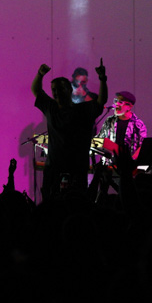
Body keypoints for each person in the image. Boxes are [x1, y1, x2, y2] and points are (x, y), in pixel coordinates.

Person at [31, 60, 107, 203]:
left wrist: (102, 79)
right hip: (54, 167)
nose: (56, 93)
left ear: (69, 90)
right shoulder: (51, 108)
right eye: (54, 89)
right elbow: (36, 91)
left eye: (60, 89)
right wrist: (40, 75)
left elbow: (101, 101)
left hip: (76, 168)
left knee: (77, 203)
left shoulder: (82, 110)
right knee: (50, 202)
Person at [94, 90, 147, 201]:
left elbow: (142, 147)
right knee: (103, 191)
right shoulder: (109, 121)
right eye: (116, 101)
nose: (116, 104)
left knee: (126, 193)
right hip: (109, 164)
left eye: (120, 102)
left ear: (129, 106)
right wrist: (98, 143)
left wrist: (132, 162)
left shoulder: (138, 124)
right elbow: (99, 140)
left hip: (128, 165)